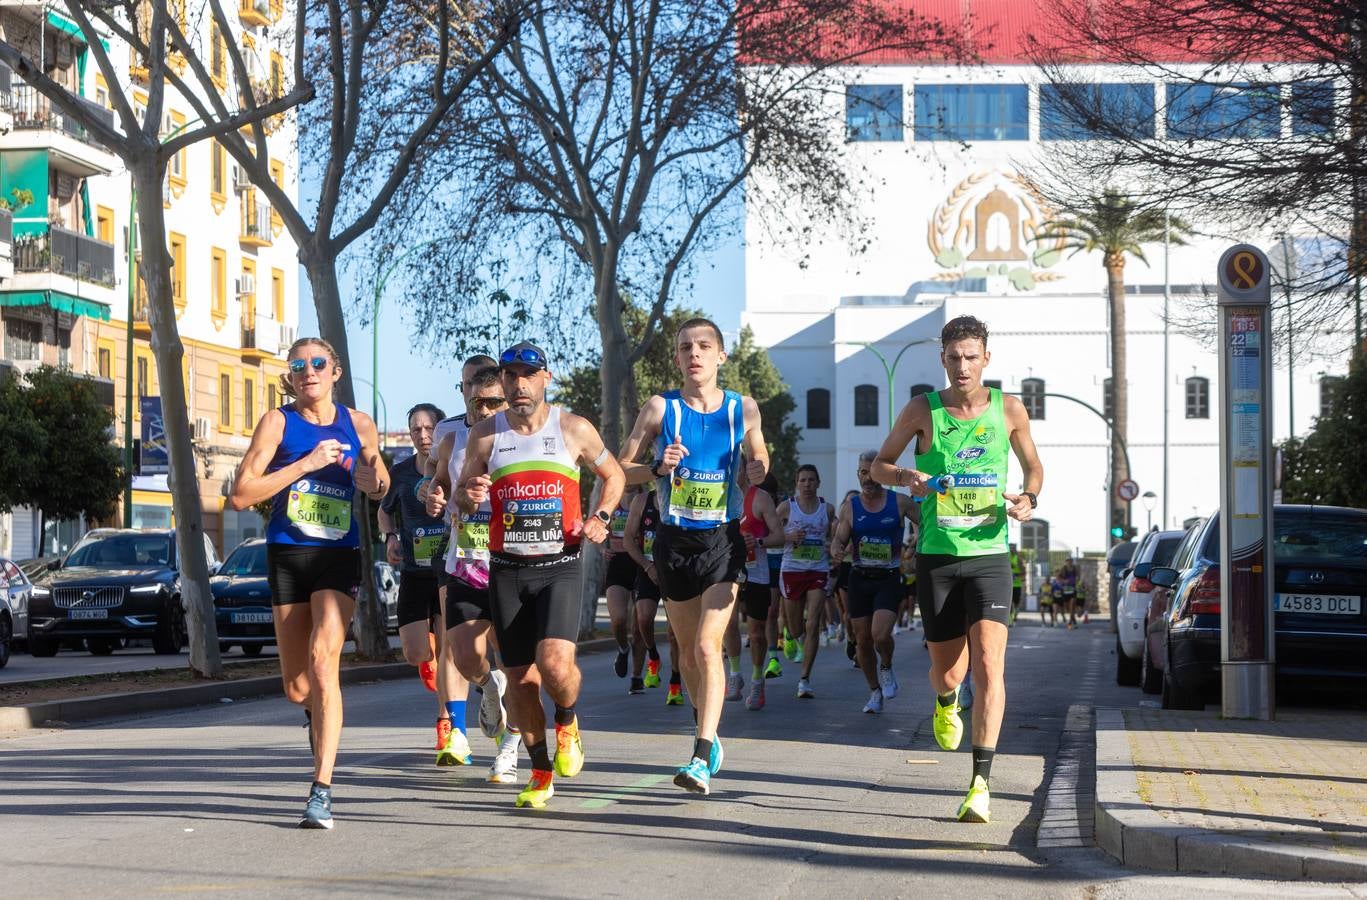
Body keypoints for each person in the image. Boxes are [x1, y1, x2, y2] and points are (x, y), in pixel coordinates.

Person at [871, 314, 1043, 824]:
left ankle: (981, 784)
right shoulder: (922, 409)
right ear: (942, 361)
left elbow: (1033, 466)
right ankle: (947, 700)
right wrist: (907, 476)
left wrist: (1029, 497)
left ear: (986, 358)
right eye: (954, 358)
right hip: (938, 555)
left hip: (990, 553)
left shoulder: (1009, 409)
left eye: (972, 357)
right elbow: (881, 465)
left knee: (990, 663)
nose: (963, 366)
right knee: (949, 670)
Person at [454, 341, 624, 809]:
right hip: (506, 570)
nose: (519, 383)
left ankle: (567, 719)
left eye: (529, 374)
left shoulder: (572, 429)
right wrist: (468, 493)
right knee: (522, 682)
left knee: (553, 666)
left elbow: (615, 477)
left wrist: (602, 517)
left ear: (546, 378)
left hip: (559, 566)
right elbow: (461, 500)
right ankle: (540, 770)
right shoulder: (486, 435)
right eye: (511, 375)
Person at [230, 337, 389, 830]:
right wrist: (304, 464)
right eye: (298, 365)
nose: (308, 371)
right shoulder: (278, 423)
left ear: (335, 371)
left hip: (339, 554)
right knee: (299, 687)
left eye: (317, 363)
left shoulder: (358, 423)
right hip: (288, 553)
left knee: (325, 662)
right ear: (291, 376)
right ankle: (314, 715)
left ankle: (321, 790)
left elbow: (378, 480)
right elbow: (240, 495)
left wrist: (372, 477)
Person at [618, 317, 768, 795]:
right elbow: (621, 469)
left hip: (722, 542)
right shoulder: (661, 409)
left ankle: (701, 755)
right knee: (686, 656)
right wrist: (656, 466)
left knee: (708, 647)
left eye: (704, 346)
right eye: (686, 348)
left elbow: (761, 462)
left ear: (721, 356)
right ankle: (708, 728)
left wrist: (757, 467)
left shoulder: (742, 408)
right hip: (673, 541)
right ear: (678, 358)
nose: (695, 354)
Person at [425, 362, 522, 784]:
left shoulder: (525, 436)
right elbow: (433, 482)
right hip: (465, 559)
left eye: (492, 402)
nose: (482, 409)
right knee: (463, 653)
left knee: (518, 657)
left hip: (515, 560)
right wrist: (434, 497)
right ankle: (488, 683)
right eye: (474, 399)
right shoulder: (451, 437)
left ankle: (511, 746)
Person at [379, 402, 471, 766]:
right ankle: (428, 651)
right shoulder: (401, 472)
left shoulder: (455, 466)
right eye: (415, 429)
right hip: (414, 573)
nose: (422, 435)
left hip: (447, 568)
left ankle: (447, 723)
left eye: (428, 427)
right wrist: (389, 538)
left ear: (441, 429)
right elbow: (384, 510)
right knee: (417, 653)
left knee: (449, 652)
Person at [830, 450, 917, 714]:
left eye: (874, 472)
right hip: (859, 578)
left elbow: (927, 523)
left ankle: (887, 666)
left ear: (884, 475)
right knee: (862, 640)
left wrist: (916, 545)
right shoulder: (850, 507)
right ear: (858, 475)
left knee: (880, 635)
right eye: (863, 472)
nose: (868, 478)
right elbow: (840, 539)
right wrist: (836, 548)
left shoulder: (899, 502)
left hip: (888, 578)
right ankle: (874, 691)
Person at [623, 484, 684, 703]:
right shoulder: (641, 501)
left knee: (674, 634)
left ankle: (675, 684)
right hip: (647, 569)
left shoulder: (682, 498)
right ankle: (654, 656)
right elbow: (628, 539)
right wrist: (648, 567)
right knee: (644, 619)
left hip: (674, 572)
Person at [776, 465, 832, 699]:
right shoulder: (787, 507)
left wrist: (837, 546)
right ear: (796, 484)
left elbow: (836, 535)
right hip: (791, 570)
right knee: (797, 626)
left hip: (817, 570)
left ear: (818, 483)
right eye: (802, 480)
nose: (807, 484)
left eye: (811, 480)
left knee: (813, 624)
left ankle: (804, 679)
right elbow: (770, 533)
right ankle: (790, 634)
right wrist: (787, 536)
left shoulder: (827, 509)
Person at [739, 470, 784, 710]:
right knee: (722, 627)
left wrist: (757, 542)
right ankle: (734, 673)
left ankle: (757, 680)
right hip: (724, 570)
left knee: (756, 632)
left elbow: (779, 536)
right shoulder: (717, 494)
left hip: (756, 571)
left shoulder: (761, 498)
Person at [604, 487, 648, 690]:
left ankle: (636, 676)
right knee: (618, 619)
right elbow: (595, 527)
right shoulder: (611, 498)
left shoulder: (643, 500)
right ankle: (623, 649)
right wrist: (602, 549)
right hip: (617, 563)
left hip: (641, 563)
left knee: (639, 627)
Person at [1057, 559, 1079, 629]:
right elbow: (1058, 578)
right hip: (1066, 590)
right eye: (1068, 561)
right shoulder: (1063, 569)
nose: (1069, 562)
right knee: (1067, 607)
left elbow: (1078, 577)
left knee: (1072, 604)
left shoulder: (1075, 569)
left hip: (1073, 589)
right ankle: (1073, 618)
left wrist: (1077, 579)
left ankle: (1070, 621)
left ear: (1072, 562)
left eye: (1071, 561)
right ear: (1066, 562)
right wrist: (1064, 581)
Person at [1008, 543, 1023, 627]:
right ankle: (1010, 620)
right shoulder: (1007, 557)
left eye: (1013, 548)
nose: (1011, 549)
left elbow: (1023, 572)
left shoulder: (1018, 558)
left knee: (1016, 603)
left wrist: (1015, 567)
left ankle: (1015, 617)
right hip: (1008, 584)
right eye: (1010, 547)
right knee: (1010, 603)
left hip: (1017, 585)